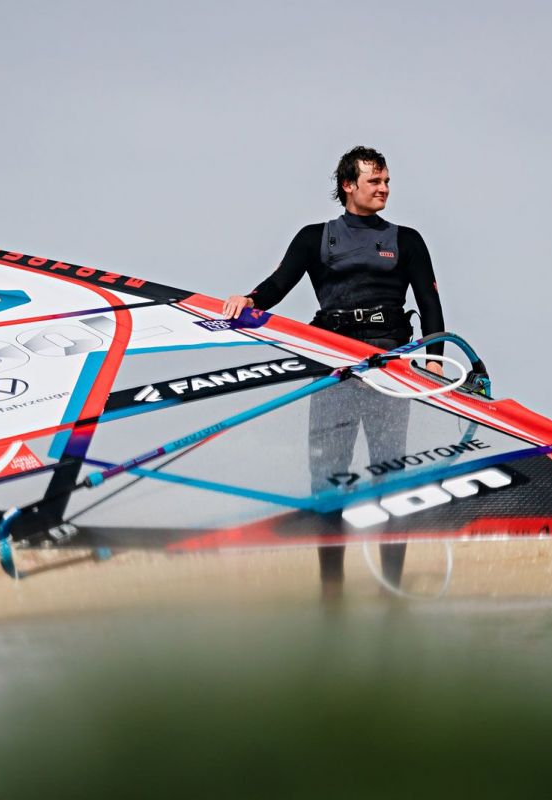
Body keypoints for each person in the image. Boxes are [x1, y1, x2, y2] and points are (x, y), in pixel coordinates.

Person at [223, 146, 446, 597]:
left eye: (386, 181)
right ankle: (331, 589)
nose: (384, 189)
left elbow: (430, 306)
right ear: (348, 185)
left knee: (391, 477)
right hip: (332, 365)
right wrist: (249, 299)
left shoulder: (407, 240)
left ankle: (391, 589)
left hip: (389, 364)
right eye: (374, 181)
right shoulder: (315, 238)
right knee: (327, 480)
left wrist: (434, 362)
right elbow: (278, 284)